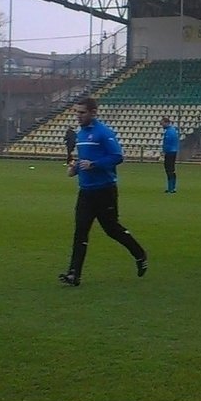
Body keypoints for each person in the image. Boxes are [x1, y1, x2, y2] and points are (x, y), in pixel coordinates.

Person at [59, 98, 147, 286]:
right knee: (80, 232)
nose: (78, 116)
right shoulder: (81, 134)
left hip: (104, 190)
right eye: (76, 112)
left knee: (112, 229)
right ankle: (74, 274)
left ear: (93, 112)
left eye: (82, 113)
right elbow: (85, 159)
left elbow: (117, 157)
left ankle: (140, 254)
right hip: (85, 192)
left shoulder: (104, 133)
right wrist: (76, 169)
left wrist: (94, 165)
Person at [161, 116, 179, 193]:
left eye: (162, 123)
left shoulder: (169, 132)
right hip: (173, 151)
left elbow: (168, 143)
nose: (162, 125)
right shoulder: (172, 130)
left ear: (167, 122)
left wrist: (164, 151)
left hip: (170, 152)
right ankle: (172, 187)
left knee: (169, 169)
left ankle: (171, 188)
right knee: (171, 169)